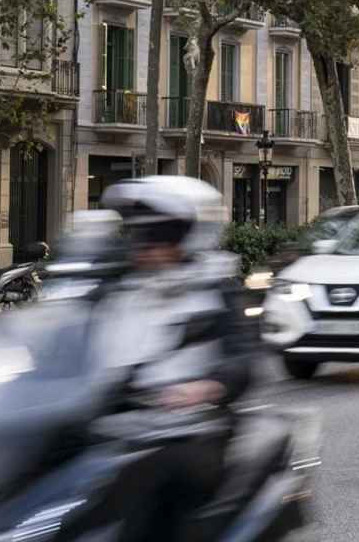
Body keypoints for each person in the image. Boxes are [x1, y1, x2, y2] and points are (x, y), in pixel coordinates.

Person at [95, 176, 259, 542]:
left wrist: (207, 387)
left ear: (188, 236)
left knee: (153, 484)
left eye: (160, 235)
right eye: (140, 235)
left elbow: (244, 358)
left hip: (193, 433)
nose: (147, 248)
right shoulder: (121, 288)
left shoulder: (214, 286)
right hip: (122, 428)